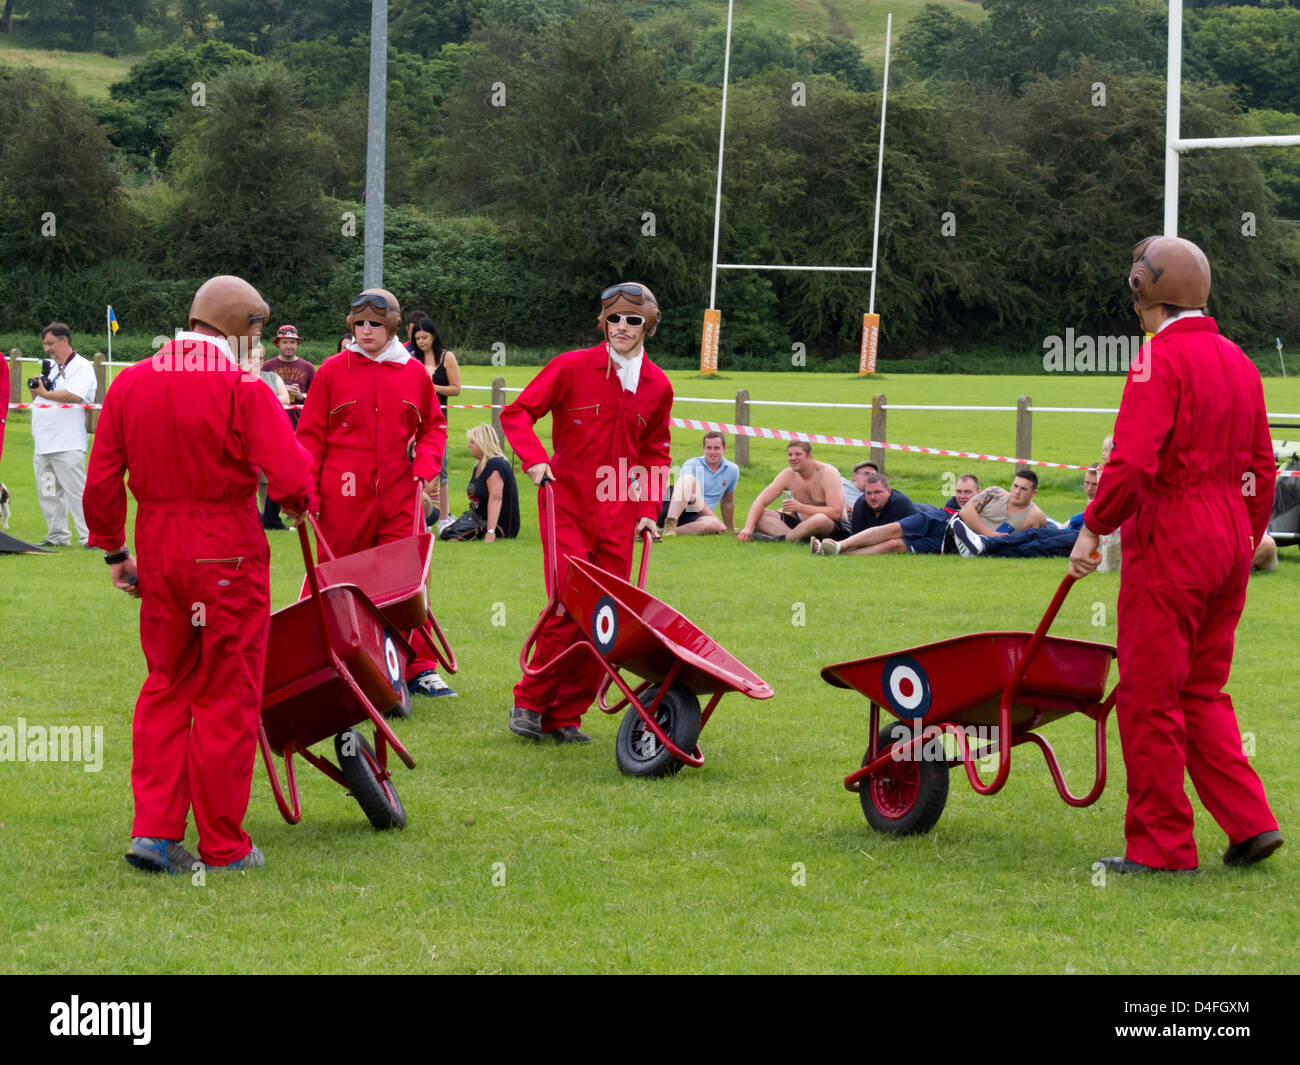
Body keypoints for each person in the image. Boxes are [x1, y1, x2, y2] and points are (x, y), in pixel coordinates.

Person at [82, 275, 315, 874]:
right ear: (244, 329)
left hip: (157, 547)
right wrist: (297, 500)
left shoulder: (130, 380)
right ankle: (223, 844)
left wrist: (114, 552)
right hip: (225, 549)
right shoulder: (240, 384)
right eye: (258, 334)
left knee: (165, 685)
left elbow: (102, 480)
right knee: (227, 695)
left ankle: (155, 832)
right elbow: (290, 477)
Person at [1069, 234, 1281, 873]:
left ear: (1144, 289)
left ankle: (1162, 848)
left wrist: (1093, 527)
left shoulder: (1157, 360)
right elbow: (1262, 467)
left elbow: (1132, 463)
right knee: (1203, 690)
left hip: (1173, 535)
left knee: (1148, 694)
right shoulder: (1239, 361)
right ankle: (1250, 823)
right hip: (1229, 535)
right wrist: (1244, 536)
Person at [501, 281, 672, 743]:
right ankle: (530, 701)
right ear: (602, 322)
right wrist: (536, 461)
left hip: (619, 513)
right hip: (567, 503)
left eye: (633, 320)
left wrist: (648, 509)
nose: (621, 327)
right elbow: (516, 414)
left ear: (648, 327)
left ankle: (565, 716)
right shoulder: (571, 366)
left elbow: (655, 453)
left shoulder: (658, 386)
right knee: (568, 602)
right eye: (613, 318)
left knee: (607, 616)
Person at [296, 288, 455, 699]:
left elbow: (434, 426)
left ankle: (415, 667)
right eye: (360, 324)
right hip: (341, 498)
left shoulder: (414, 372)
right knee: (337, 580)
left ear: (392, 327)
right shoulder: (331, 370)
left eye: (375, 325)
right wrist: (307, 491)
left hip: (400, 494)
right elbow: (310, 436)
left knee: (405, 583)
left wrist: (424, 469)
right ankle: (334, 663)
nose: (366, 331)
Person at [29, 323, 97, 548]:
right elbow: (42, 396)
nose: (47, 348)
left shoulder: (82, 366)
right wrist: (40, 391)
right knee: (48, 492)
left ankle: (90, 537)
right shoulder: (49, 367)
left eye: (50, 343)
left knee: (76, 492)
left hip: (67, 444)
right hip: (43, 445)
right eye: (45, 344)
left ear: (64, 341)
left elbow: (75, 395)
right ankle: (57, 535)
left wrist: (45, 393)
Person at [261, 325, 314, 530]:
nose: (289, 346)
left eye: (292, 342)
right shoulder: (267, 367)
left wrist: (301, 396)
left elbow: (317, 398)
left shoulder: (308, 367)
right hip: (274, 426)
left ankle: (301, 511)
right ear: (278, 344)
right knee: (273, 474)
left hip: (299, 425)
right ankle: (270, 515)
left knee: (299, 471)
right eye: (285, 342)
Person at [411, 317, 461, 533]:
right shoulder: (412, 359)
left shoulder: (446, 357)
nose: (421, 341)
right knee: (416, 466)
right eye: (417, 338)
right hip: (415, 419)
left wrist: (432, 387)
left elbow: (456, 388)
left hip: (438, 418)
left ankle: (443, 517)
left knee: (441, 467)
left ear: (433, 336)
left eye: (424, 337)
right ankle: (421, 515)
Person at [737, 441, 843, 542]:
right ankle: (798, 539)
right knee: (759, 516)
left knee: (820, 519)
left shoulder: (828, 473)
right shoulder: (787, 475)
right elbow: (761, 501)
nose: (793, 458)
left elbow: (836, 513)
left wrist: (801, 507)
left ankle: (785, 539)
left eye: (798, 454)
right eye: (790, 455)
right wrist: (748, 528)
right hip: (797, 522)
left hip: (826, 525)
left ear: (809, 455)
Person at [444, 422, 519, 540]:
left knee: (453, 536)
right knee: (446, 532)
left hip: (499, 525)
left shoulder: (496, 464)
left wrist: (490, 531)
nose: (469, 445)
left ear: (483, 444)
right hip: (479, 518)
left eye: (472, 442)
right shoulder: (479, 464)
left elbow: (496, 498)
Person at [659, 430, 739, 536]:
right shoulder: (691, 464)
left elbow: (727, 502)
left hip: (698, 517)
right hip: (678, 508)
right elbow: (691, 497)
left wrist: (729, 528)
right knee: (688, 479)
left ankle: (667, 532)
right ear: (703, 449)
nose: (712, 452)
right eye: (708, 448)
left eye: (716, 448)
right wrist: (716, 518)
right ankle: (670, 524)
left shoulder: (732, 470)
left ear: (724, 449)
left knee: (713, 524)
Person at [847, 472, 915, 535]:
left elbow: (909, 537)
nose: (872, 497)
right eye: (868, 493)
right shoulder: (860, 505)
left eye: (877, 492)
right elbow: (857, 536)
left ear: (888, 492)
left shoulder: (902, 505)